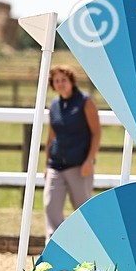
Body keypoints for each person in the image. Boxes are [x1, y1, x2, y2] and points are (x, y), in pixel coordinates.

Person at [43, 65, 101, 238]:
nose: (60, 84)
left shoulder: (85, 102)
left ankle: (87, 246)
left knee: (83, 211)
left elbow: (96, 132)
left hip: (78, 165)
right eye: (56, 81)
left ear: (71, 81)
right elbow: (51, 136)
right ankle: (52, 250)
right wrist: (46, 164)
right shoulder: (54, 105)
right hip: (56, 165)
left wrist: (89, 160)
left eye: (63, 80)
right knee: (50, 206)